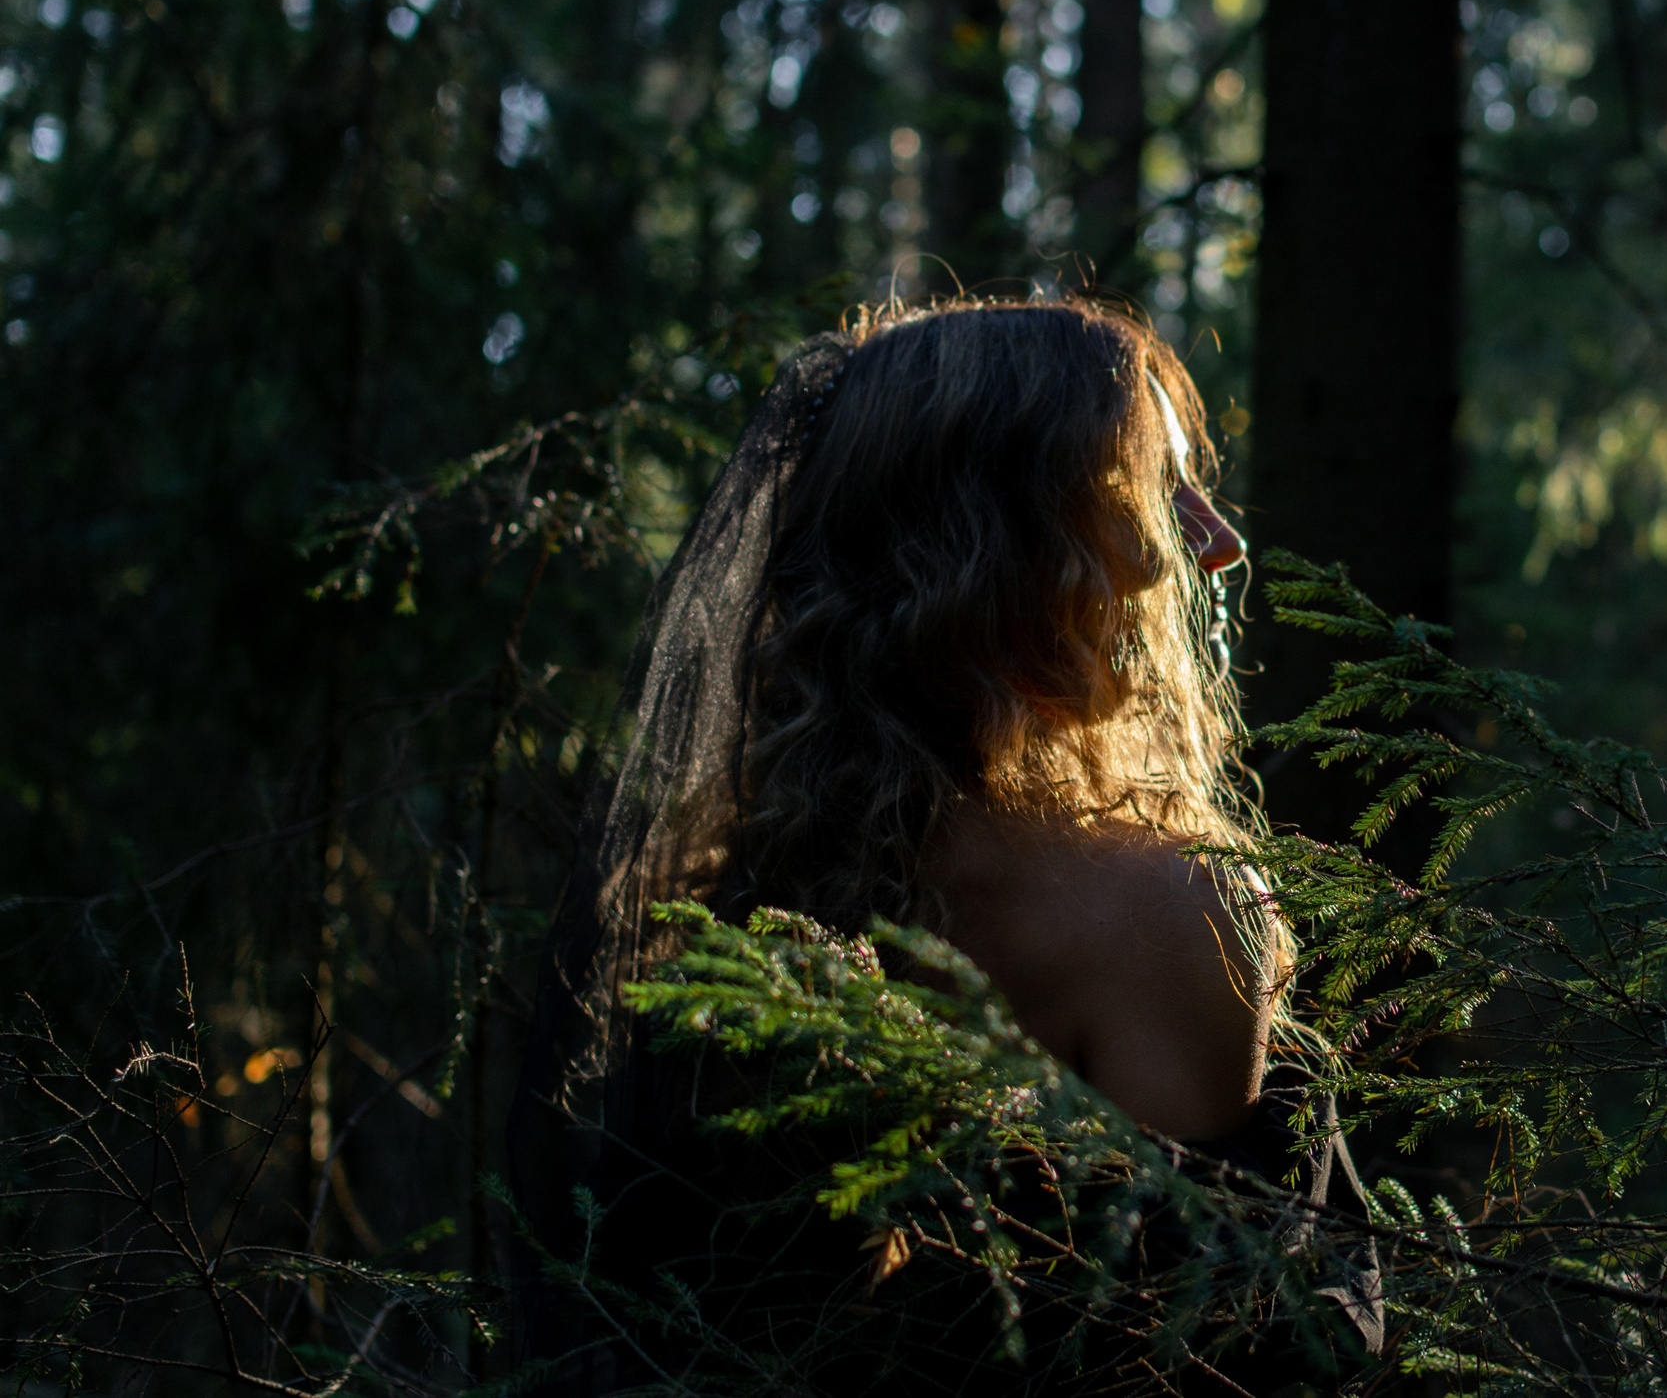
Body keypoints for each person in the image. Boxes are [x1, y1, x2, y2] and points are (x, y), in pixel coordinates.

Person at [511, 297, 1377, 1393]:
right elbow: (1219, 1359)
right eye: (1146, 488)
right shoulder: (1170, 907)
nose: (1204, 548)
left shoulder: (710, 900)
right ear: (998, 534)